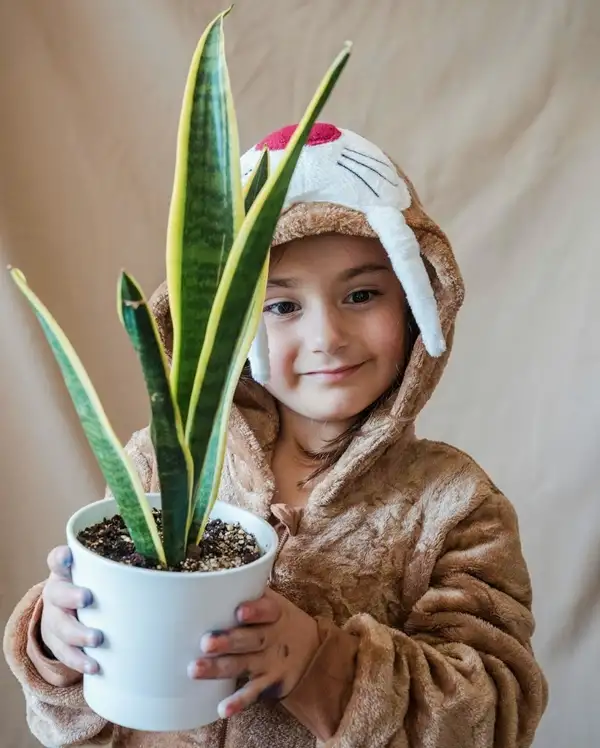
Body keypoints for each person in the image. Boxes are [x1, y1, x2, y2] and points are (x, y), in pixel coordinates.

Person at [3, 122, 548, 748]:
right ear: (225, 323)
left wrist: (319, 663)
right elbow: (68, 718)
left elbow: (497, 716)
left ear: (418, 300)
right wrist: (56, 640)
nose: (326, 337)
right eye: (282, 306)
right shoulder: (158, 466)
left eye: (363, 294)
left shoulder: (455, 505)